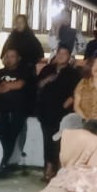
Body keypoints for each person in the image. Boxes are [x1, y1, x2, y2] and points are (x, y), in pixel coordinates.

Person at [0, 49, 35, 174]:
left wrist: (5, 86)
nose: (9, 58)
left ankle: (3, 163)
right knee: (0, 136)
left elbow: (19, 85)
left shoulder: (24, 71)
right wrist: (9, 87)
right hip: (1, 111)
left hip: (18, 111)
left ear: (18, 58)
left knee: (12, 137)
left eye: (12, 56)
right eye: (7, 56)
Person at [36, 46, 82, 180]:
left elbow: (74, 93)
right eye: (59, 53)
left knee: (61, 142)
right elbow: (38, 86)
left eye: (64, 53)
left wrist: (63, 107)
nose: (61, 56)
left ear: (69, 57)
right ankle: (48, 167)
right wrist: (48, 79)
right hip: (45, 111)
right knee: (47, 140)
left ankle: (58, 170)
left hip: (62, 113)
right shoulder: (47, 69)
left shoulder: (73, 73)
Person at [74, 52, 97, 123]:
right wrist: (85, 119)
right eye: (94, 64)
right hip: (82, 122)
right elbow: (76, 106)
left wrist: (96, 119)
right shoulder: (83, 82)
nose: (96, 67)